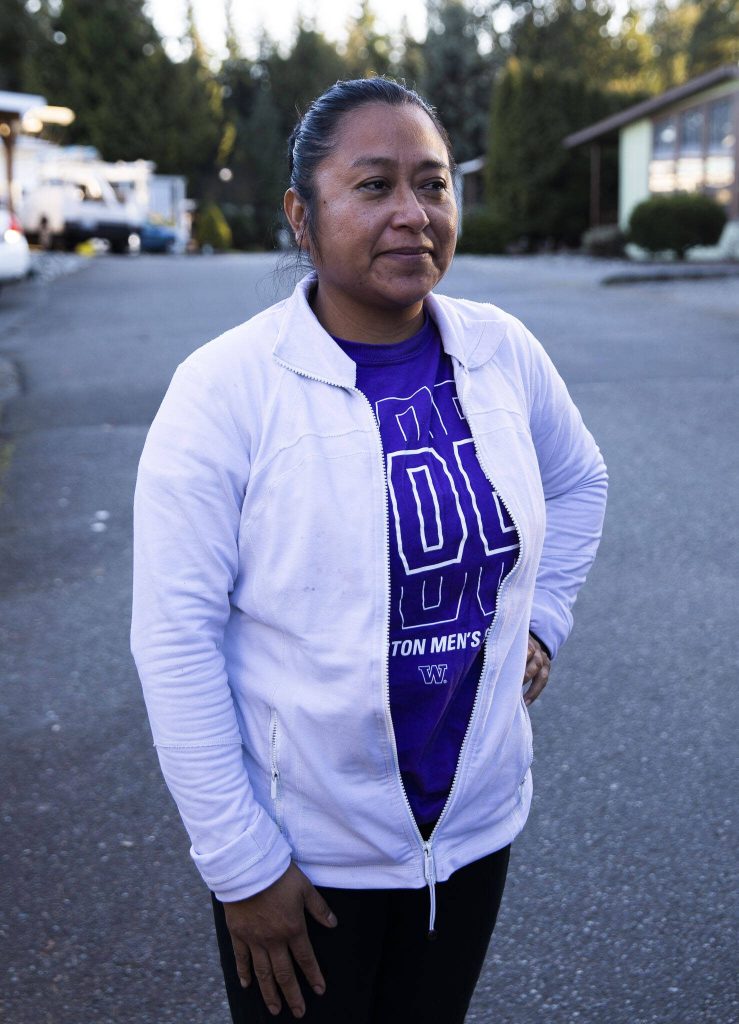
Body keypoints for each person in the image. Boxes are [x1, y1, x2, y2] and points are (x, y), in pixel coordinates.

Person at [131, 77, 607, 1024]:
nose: (411, 215)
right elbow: (173, 639)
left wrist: (543, 618)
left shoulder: (500, 349)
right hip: (305, 860)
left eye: (432, 185)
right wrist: (240, 867)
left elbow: (580, 479)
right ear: (301, 216)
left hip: (470, 834)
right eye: (374, 186)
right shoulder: (224, 390)